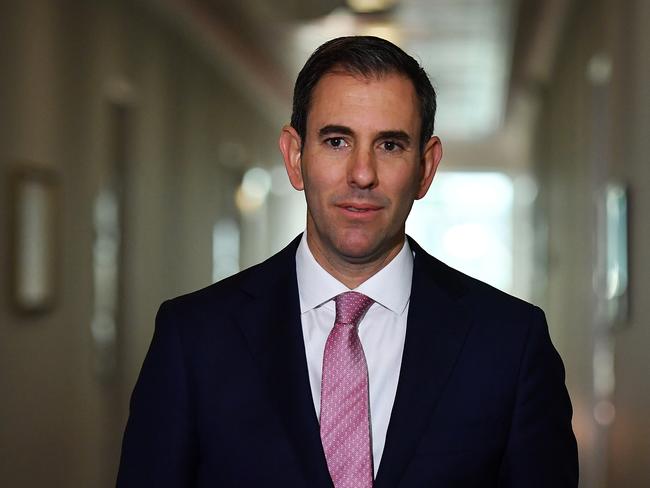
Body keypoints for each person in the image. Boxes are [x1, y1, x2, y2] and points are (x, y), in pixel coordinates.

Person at [117, 36, 578, 487]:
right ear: (295, 157)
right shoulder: (194, 337)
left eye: (390, 145)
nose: (362, 174)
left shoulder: (510, 343)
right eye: (337, 141)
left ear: (426, 167)